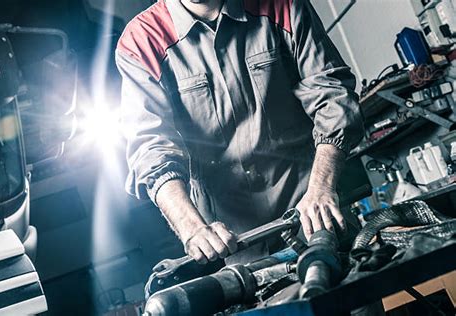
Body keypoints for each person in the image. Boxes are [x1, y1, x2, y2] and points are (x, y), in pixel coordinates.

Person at [116, 0, 364, 265]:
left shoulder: (283, 5)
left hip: (316, 211)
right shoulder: (141, 41)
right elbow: (151, 149)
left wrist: (321, 190)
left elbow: (333, 98)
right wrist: (192, 228)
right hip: (237, 242)